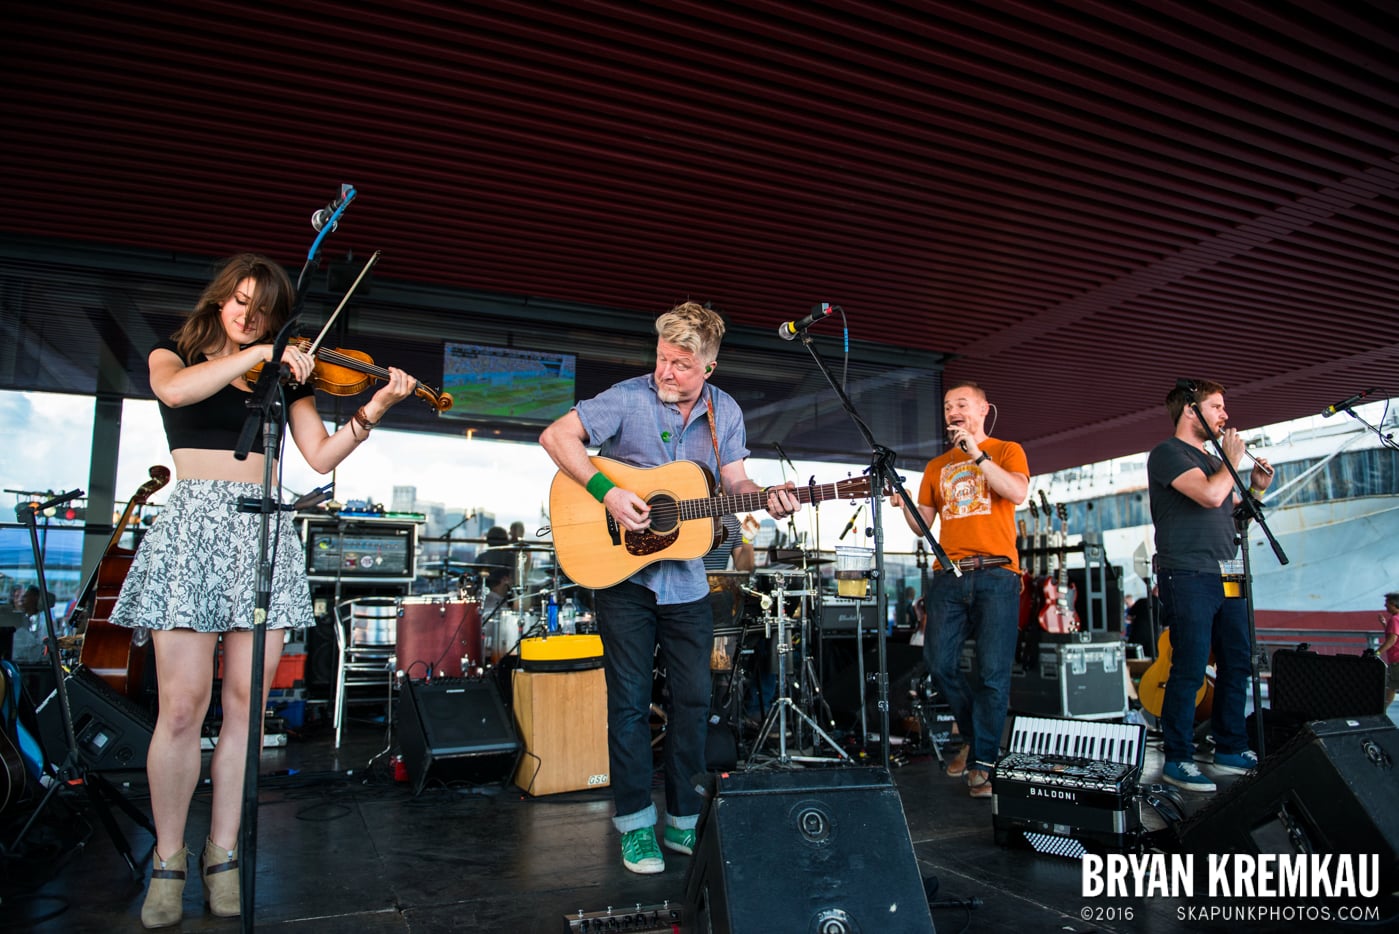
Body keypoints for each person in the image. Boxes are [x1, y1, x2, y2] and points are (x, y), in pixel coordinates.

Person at [107, 253, 417, 928]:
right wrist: (257, 361)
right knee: (183, 710)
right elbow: (177, 393)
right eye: (239, 302)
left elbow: (320, 456)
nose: (248, 316)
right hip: (192, 528)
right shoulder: (176, 352)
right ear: (220, 299)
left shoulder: (285, 378)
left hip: (260, 533)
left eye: (262, 311)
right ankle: (168, 859)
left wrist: (376, 406)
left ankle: (223, 856)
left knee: (247, 712)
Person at [539, 301, 799, 874]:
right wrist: (607, 490)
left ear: (708, 366)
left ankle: (683, 821)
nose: (665, 372)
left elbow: (733, 480)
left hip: (684, 580)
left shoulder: (723, 411)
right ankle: (635, 826)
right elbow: (556, 437)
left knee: (694, 703)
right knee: (629, 705)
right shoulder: (626, 397)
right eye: (662, 359)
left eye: (681, 364)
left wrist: (768, 497)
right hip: (622, 577)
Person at [892, 381, 1029, 799]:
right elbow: (922, 527)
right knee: (938, 662)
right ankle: (975, 736)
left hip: (997, 575)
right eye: (948, 405)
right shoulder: (936, 467)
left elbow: (1018, 492)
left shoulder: (1007, 450)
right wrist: (904, 505)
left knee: (992, 673)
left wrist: (977, 455)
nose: (952, 411)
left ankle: (984, 762)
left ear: (985, 409)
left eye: (961, 404)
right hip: (948, 574)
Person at [1147, 380, 1271, 793]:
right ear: (1190, 411)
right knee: (1190, 666)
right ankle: (1179, 758)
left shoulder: (1215, 459)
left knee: (1238, 659)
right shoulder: (1168, 454)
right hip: (1188, 572)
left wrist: (1253, 487)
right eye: (1216, 407)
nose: (1225, 415)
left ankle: (1230, 746)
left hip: (1230, 570)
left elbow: (1232, 515)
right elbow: (1207, 496)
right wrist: (1231, 462)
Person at [1378, 592, 1399, 709]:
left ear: (1394, 604)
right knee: (1391, 687)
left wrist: (1377, 652)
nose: (1385, 606)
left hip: (1397, 659)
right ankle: (1382, 710)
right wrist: (1385, 625)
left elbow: (1392, 639)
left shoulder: (1395, 619)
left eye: (1387, 603)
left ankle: (1381, 711)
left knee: (1390, 687)